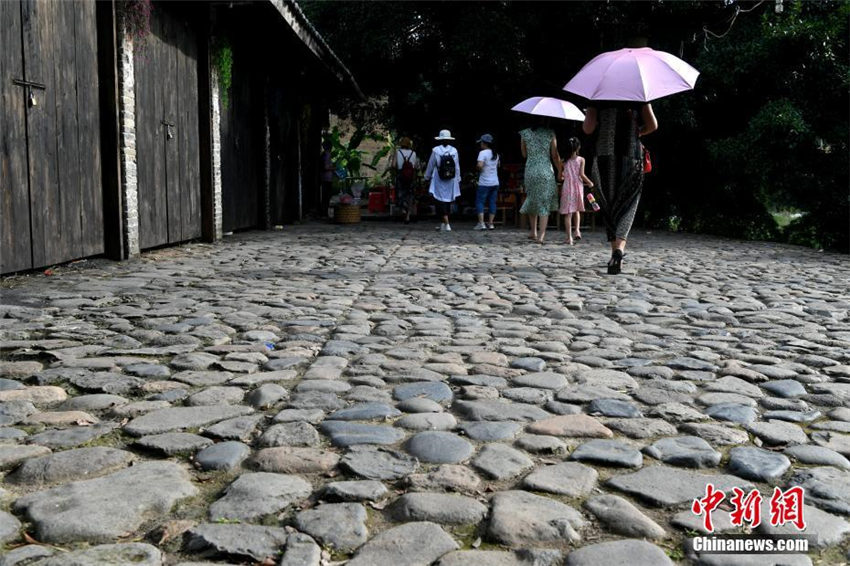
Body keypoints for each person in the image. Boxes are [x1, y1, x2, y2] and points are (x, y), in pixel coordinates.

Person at [582, 102, 657, 274]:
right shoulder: (639, 94)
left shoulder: (598, 95)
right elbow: (653, 125)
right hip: (631, 157)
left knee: (609, 205)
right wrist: (638, 131)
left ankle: (614, 252)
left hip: (603, 158)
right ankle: (619, 250)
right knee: (628, 204)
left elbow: (587, 129)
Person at [519, 119, 562, 244]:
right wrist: (560, 170)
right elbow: (555, 155)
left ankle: (533, 231)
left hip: (530, 171)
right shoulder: (550, 133)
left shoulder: (524, 133)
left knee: (532, 199)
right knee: (544, 202)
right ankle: (541, 236)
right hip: (545, 171)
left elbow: (524, 154)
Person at [424, 129, 461, 232]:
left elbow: (431, 165)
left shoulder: (436, 150)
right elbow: (457, 166)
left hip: (439, 179)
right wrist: (458, 178)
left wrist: (426, 177)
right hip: (451, 179)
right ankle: (443, 224)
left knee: (439, 201)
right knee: (448, 201)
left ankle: (447, 223)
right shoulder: (454, 151)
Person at [559, 137, 594, 245]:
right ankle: (577, 230)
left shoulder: (563, 161)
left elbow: (560, 177)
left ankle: (569, 238)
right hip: (578, 187)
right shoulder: (581, 160)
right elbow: (581, 175)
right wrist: (590, 182)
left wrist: (564, 176)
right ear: (578, 147)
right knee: (577, 209)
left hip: (567, 188)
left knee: (568, 213)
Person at [474, 134, 500, 230]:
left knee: (480, 202)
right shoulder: (496, 154)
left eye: (481, 142)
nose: (480, 144)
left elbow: (480, 165)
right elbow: (497, 166)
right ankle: (491, 223)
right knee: (492, 202)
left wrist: (478, 168)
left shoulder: (483, 153)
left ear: (484, 143)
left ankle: (481, 223)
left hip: (484, 183)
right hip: (495, 182)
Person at [392, 137, 419, 224]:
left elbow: (393, 165)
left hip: (401, 176)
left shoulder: (397, 152)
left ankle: (403, 209)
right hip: (411, 177)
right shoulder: (413, 153)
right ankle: (408, 216)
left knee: (400, 194)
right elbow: (416, 166)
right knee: (410, 195)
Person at [320, 140, 335, 213]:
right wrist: (334, 168)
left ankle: (324, 212)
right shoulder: (327, 154)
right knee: (326, 196)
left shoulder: (323, 154)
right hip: (327, 178)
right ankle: (324, 212)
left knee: (325, 196)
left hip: (324, 177)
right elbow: (326, 167)